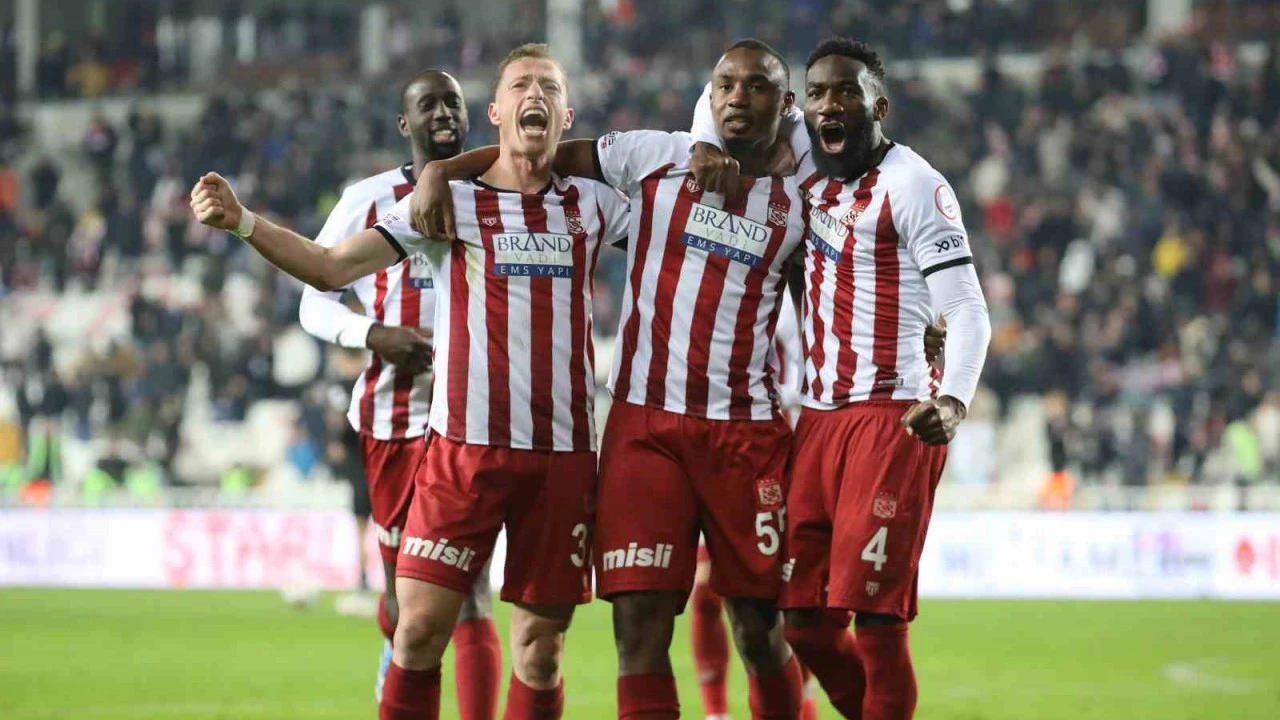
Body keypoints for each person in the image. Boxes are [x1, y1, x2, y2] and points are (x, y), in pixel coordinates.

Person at [191, 43, 629, 720]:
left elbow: (679, 224)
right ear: (496, 111)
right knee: (418, 630)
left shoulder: (597, 206)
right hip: (463, 454)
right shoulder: (450, 204)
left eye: (549, 86)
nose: (534, 94)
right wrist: (244, 222)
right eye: (520, 85)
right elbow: (331, 268)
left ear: (568, 115)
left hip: (561, 458)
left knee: (541, 651)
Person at [413, 39, 813, 720]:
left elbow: (832, 298)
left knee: (759, 628)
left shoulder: (805, 202)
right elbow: (534, 158)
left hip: (745, 435)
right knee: (638, 629)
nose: (737, 98)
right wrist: (442, 170)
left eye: (755, 86)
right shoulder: (654, 155)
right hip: (644, 428)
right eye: (725, 85)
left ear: (785, 103)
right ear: (709, 95)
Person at [690, 37, 992, 720]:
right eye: (819, 93)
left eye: (848, 92)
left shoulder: (914, 185)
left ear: (878, 107)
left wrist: (953, 400)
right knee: (802, 623)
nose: (830, 104)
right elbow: (719, 93)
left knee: (878, 624)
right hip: (818, 420)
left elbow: (967, 308)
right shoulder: (806, 162)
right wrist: (701, 145)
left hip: (892, 416)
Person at [296, 69, 501, 716]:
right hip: (392, 421)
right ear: (404, 123)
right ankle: (400, 670)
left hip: (471, 425)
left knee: (469, 595)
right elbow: (313, 299)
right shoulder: (367, 199)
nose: (443, 113)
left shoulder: (501, 193)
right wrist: (371, 333)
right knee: (402, 600)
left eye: (453, 103)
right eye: (428, 104)